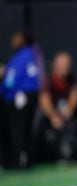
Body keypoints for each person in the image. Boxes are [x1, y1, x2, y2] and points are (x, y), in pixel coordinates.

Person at [0, 31, 42, 169]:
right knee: (24, 128)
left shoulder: (22, 56)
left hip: (19, 96)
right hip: (28, 95)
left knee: (17, 129)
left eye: (16, 39)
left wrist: (4, 90)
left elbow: (11, 81)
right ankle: (25, 159)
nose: (13, 42)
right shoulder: (33, 54)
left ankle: (18, 160)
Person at [37, 51, 77, 162]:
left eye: (67, 64)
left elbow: (76, 92)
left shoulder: (71, 78)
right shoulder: (49, 79)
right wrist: (53, 116)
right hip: (49, 113)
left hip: (64, 112)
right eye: (62, 64)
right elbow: (44, 100)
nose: (65, 66)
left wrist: (69, 109)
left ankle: (67, 155)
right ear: (56, 65)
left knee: (72, 125)